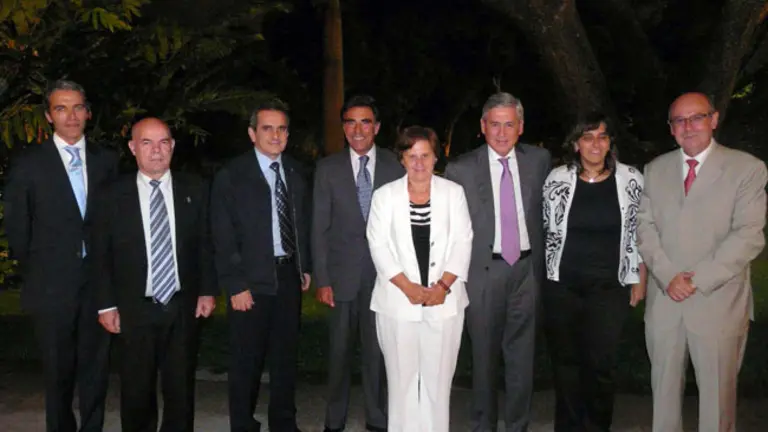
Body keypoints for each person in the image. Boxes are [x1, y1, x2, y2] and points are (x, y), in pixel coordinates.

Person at [637, 92, 767, 432]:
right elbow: (644, 229)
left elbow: (749, 235)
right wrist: (668, 277)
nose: (688, 126)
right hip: (665, 302)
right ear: (671, 128)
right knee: (662, 399)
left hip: (718, 302)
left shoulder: (747, 169)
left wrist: (695, 280)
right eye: (679, 120)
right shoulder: (655, 169)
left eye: (696, 117)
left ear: (714, 119)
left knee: (717, 404)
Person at [4, 79, 118, 432]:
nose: (71, 115)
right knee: (57, 375)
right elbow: (18, 227)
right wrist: (40, 271)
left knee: (96, 371)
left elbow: (116, 222)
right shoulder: (28, 164)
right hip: (51, 286)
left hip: (98, 284)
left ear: (88, 112)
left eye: (77, 107)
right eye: (61, 108)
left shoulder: (108, 161)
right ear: (49, 116)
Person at [90, 118, 217, 431]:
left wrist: (207, 290)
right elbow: (99, 255)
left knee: (181, 388)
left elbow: (206, 243)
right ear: (133, 148)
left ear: (172, 146)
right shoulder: (111, 195)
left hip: (182, 305)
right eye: (147, 142)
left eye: (164, 142)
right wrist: (106, 304)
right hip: (134, 307)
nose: (156, 150)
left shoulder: (196, 188)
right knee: (136, 391)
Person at [445, 92, 551, 432]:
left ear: (520, 127)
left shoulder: (540, 161)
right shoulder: (459, 169)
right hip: (482, 273)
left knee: (522, 359)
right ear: (482, 126)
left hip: (527, 271)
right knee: (484, 359)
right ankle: (483, 426)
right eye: (495, 124)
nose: (502, 133)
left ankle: (518, 425)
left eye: (509, 124)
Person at [211, 98, 312, 432]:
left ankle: (283, 423)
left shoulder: (296, 171)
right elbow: (222, 234)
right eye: (267, 128)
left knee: (285, 359)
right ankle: (243, 423)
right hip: (250, 280)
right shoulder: (232, 175)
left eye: (282, 128)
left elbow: (303, 223)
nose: (276, 135)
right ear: (253, 133)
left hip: (287, 276)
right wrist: (235, 284)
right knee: (246, 361)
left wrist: (305, 266)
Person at [541, 114, 647, 431]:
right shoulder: (556, 179)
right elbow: (547, 229)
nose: (596, 144)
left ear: (610, 142)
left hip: (608, 289)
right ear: (576, 144)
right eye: (588, 137)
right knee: (566, 366)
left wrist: (639, 275)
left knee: (601, 366)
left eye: (602, 136)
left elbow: (639, 232)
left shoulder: (631, 180)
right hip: (562, 288)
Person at [366, 125, 473, 432]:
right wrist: (409, 288)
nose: (418, 163)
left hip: (445, 303)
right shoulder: (384, 197)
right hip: (397, 304)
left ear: (435, 157)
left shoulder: (454, 194)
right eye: (411, 155)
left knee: (438, 386)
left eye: (425, 155)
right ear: (401, 158)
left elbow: (463, 241)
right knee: (401, 385)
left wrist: (442, 287)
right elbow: (378, 245)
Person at [312, 94, 403, 432]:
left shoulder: (396, 165)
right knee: (338, 356)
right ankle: (333, 422)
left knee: (377, 357)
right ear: (343, 128)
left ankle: (377, 420)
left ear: (377, 127)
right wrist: (322, 279)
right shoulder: (327, 168)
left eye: (365, 121)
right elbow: (319, 229)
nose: (358, 129)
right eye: (350, 122)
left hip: (384, 279)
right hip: (340, 280)